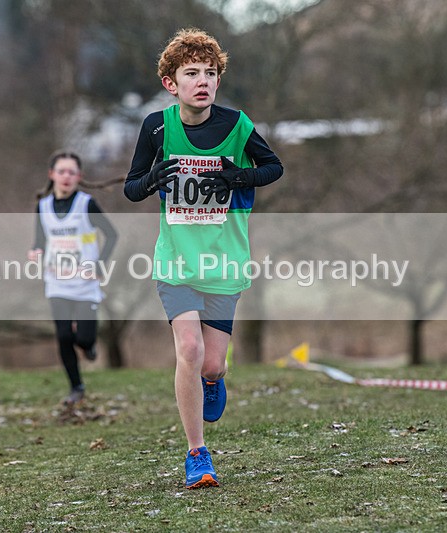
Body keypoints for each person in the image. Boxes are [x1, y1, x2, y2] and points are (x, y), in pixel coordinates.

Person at [124, 28, 283, 489]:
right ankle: (197, 454)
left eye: (210, 73)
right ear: (171, 83)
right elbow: (132, 189)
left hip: (225, 261)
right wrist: (153, 175)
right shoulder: (156, 127)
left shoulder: (237, 125)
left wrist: (239, 177)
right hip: (175, 261)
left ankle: (214, 380)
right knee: (188, 351)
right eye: (191, 73)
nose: (203, 81)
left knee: (211, 364)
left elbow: (274, 168)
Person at [28, 152, 118, 405]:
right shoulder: (43, 207)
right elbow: (40, 241)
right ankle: (76, 386)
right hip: (56, 282)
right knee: (64, 335)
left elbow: (111, 235)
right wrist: (36, 252)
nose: (66, 177)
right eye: (61, 171)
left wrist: (100, 265)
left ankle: (88, 347)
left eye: (71, 172)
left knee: (84, 338)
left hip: (85, 282)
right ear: (52, 175)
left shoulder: (86, 204)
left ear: (79, 177)